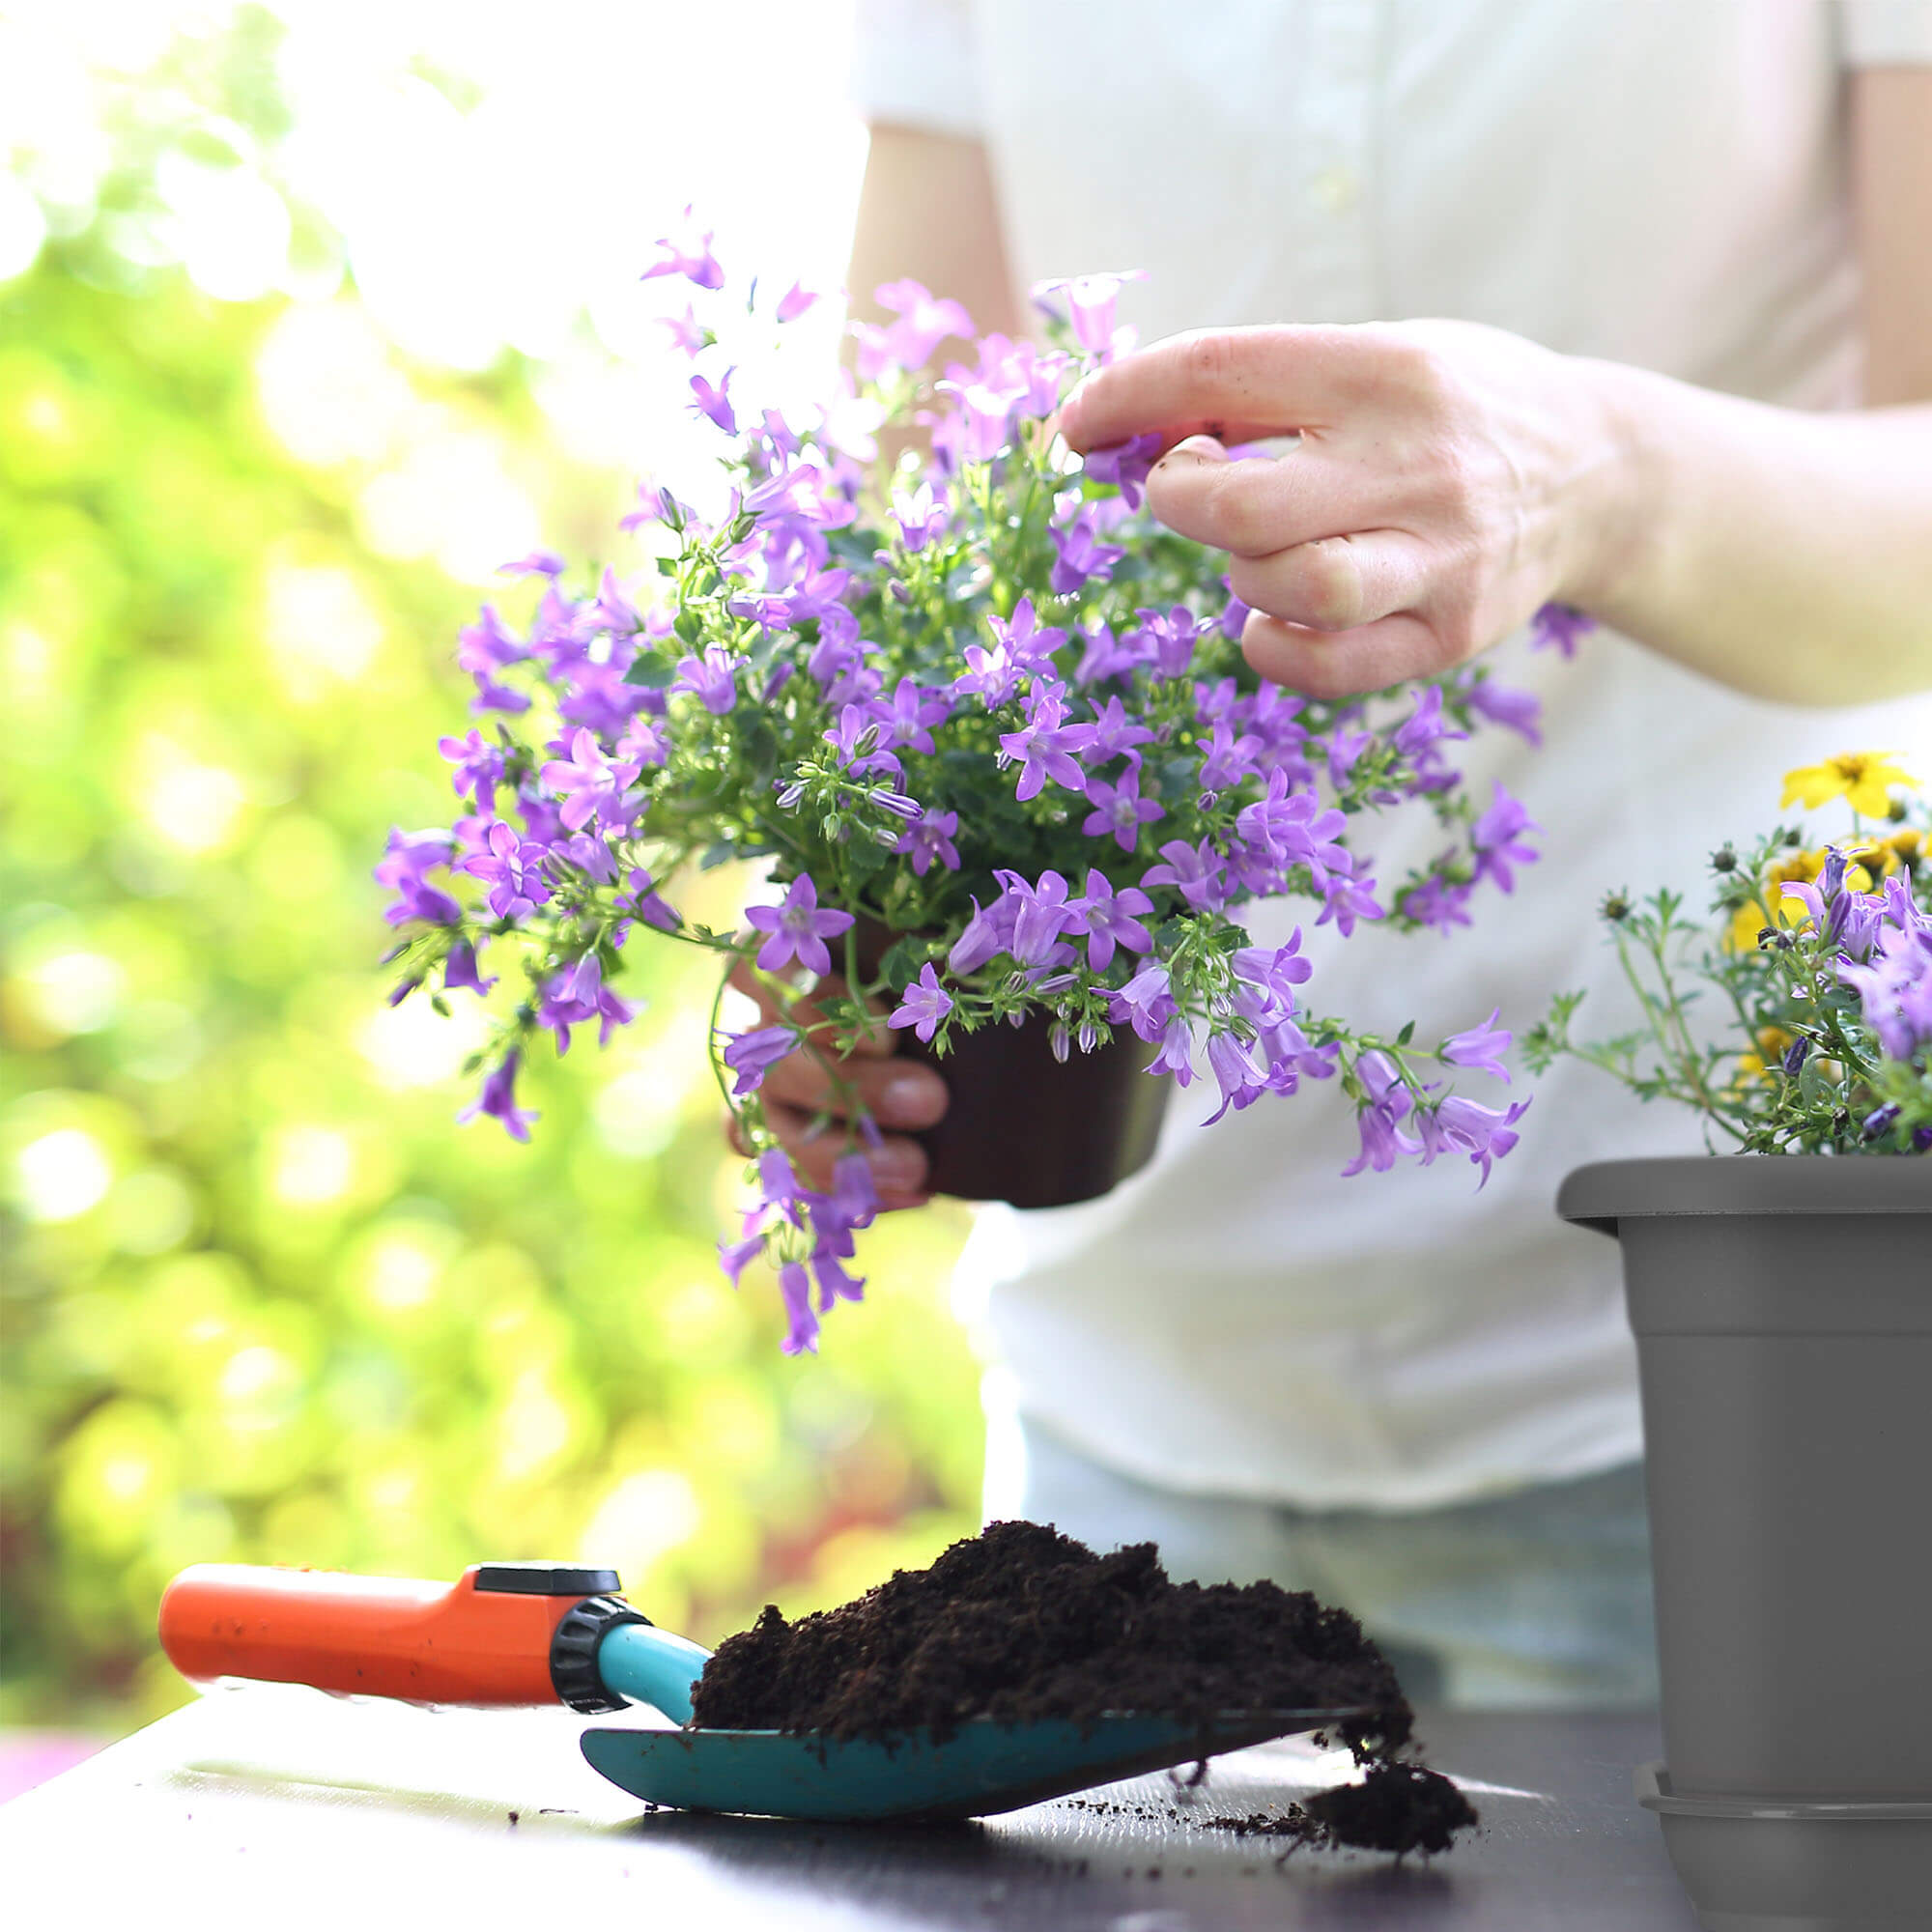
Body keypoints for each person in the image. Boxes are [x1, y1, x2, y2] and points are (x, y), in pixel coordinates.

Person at [735, 0, 1932, 1706]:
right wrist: (851, 921)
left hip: (1689, 1370)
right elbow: (913, 521)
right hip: (1128, 1387)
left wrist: (1590, 475)